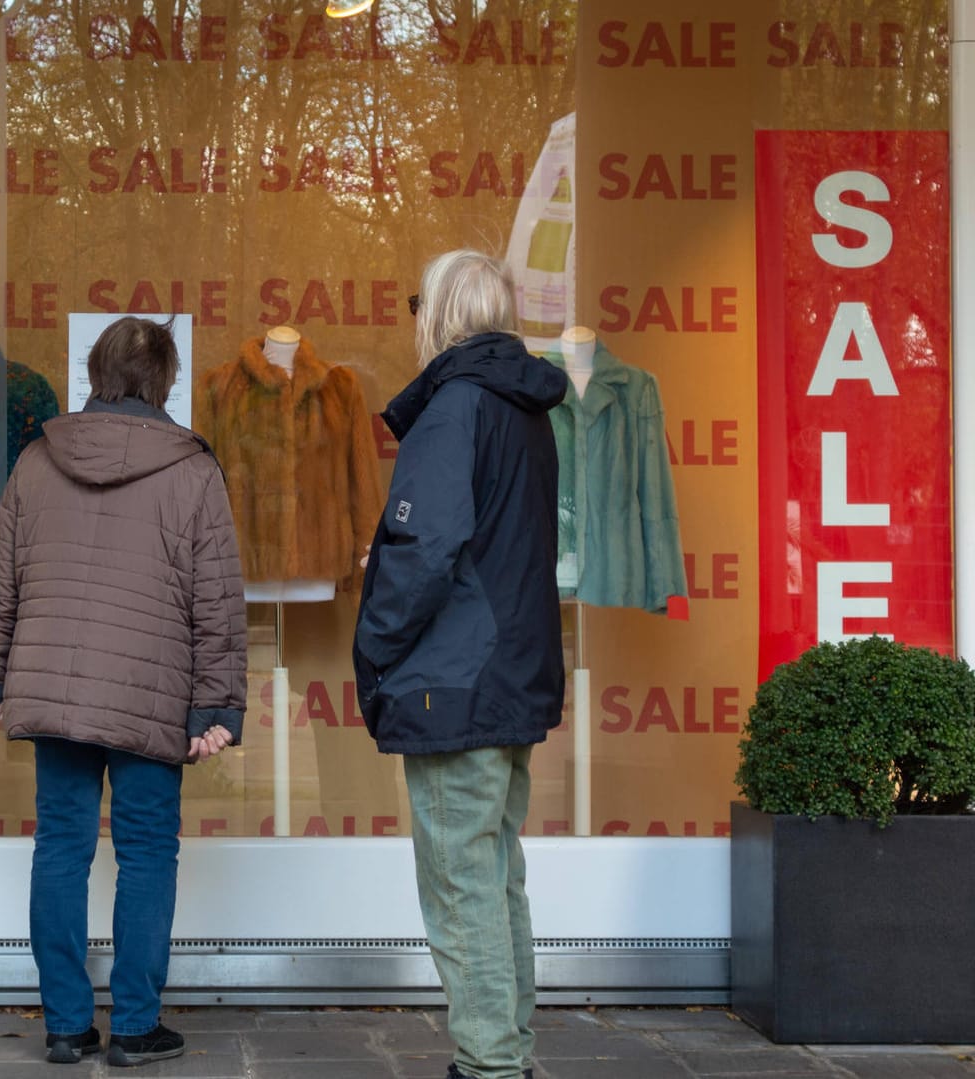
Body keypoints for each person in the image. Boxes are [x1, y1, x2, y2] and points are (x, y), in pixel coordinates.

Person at [0, 316, 247, 1067]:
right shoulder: (193, 469)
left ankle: (66, 1024)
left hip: (57, 692)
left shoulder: (37, 460)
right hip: (150, 694)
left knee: (60, 849)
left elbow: (0, 581)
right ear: (165, 381)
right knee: (147, 853)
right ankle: (134, 1024)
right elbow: (218, 598)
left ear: (95, 373)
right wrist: (217, 705)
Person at [353, 250, 567, 1079]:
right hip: (508, 671)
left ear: (437, 314)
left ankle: (489, 1065)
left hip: (456, 676)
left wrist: (374, 646)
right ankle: (504, 1048)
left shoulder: (456, 407)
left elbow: (423, 548)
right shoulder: (523, 407)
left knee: (462, 883)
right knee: (495, 872)